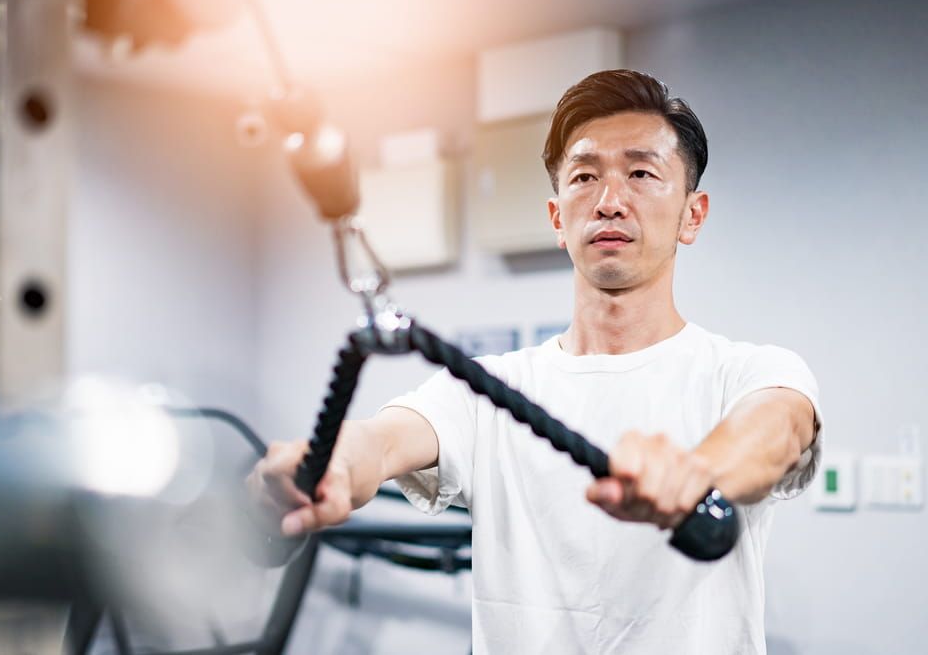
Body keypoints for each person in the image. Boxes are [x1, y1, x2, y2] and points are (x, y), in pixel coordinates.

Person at [248, 69, 822, 654]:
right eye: (584, 176)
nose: (609, 202)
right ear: (556, 219)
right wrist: (328, 463)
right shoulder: (490, 388)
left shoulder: (746, 372)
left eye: (642, 173)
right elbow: (384, 441)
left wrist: (699, 472)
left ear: (692, 215)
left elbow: (776, 429)